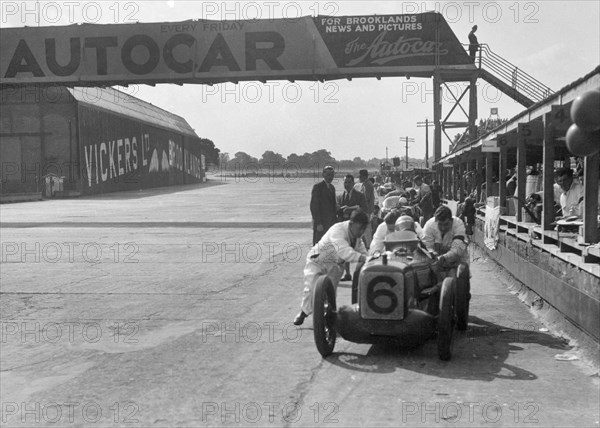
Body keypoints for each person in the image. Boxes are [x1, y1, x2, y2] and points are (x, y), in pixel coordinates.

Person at [293, 209, 370, 326]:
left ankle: (327, 317)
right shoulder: (338, 230)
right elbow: (344, 251)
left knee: (330, 294)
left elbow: (362, 250)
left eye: (363, 229)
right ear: (351, 224)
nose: (361, 232)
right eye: (359, 228)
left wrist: (371, 258)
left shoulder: (356, 237)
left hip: (335, 266)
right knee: (312, 288)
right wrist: (364, 258)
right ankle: (304, 312)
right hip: (318, 261)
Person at [337, 174, 367, 280]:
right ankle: (348, 273)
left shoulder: (360, 195)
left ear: (353, 183)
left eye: (349, 182)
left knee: (362, 249)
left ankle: (363, 271)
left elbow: (363, 208)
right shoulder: (340, 196)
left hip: (357, 229)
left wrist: (349, 209)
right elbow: (338, 210)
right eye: (345, 182)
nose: (347, 184)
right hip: (346, 228)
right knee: (345, 249)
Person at [310, 166, 337, 245]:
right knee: (319, 244)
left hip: (330, 222)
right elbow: (314, 206)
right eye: (328, 175)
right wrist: (318, 223)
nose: (330, 177)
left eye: (332, 175)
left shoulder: (332, 188)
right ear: (323, 175)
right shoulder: (318, 187)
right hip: (321, 223)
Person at [357, 169, 376, 248]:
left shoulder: (367, 185)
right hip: (367, 210)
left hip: (366, 210)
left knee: (366, 230)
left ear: (364, 176)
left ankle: (369, 246)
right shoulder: (366, 184)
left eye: (360, 176)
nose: (359, 178)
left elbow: (366, 198)